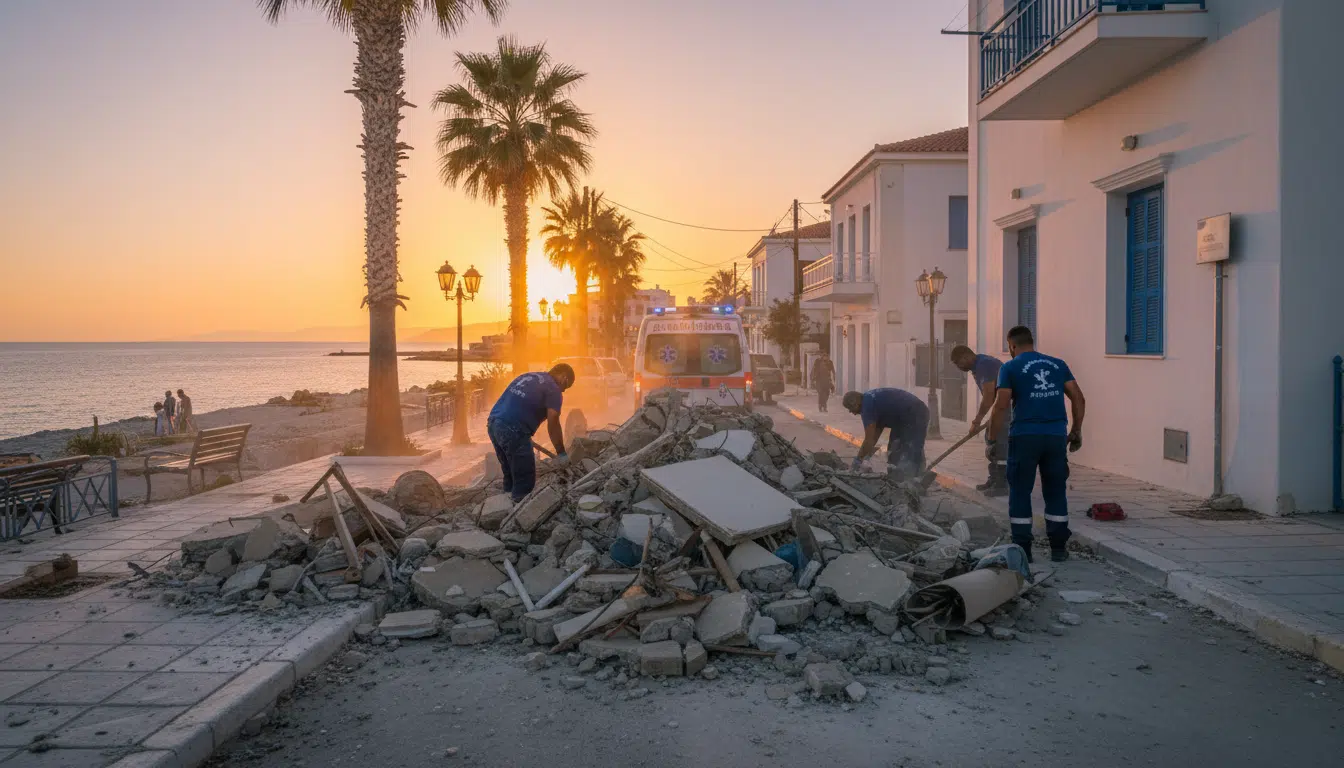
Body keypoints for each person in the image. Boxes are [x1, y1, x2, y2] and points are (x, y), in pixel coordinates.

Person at [988, 325, 1086, 563]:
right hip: (1055, 437)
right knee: (1055, 491)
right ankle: (1059, 549)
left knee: (1020, 491)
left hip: (1024, 437)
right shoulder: (1058, 364)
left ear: (1012, 345)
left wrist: (992, 438)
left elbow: (1001, 405)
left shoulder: (1009, 367)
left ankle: (1023, 550)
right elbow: (1078, 397)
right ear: (1032, 342)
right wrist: (1076, 430)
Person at [487, 364, 576, 503]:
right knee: (525, 480)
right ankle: (518, 518)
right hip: (514, 430)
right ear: (564, 378)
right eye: (566, 387)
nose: (563, 391)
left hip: (494, 424)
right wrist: (561, 453)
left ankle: (502, 510)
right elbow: (553, 421)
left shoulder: (528, 376)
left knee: (510, 474)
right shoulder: (553, 388)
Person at [951, 344, 1007, 496]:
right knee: (991, 440)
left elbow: (989, 396)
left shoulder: (984, 364)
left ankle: (1002, 484)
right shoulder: (978, 366)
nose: (958, 366)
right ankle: (994, 479)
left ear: (966, 356)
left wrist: (977, 421)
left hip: (1009, 405)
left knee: (1000, 443)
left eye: (958, 362)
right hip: (1000, 406)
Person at [841, 387, 929, 481]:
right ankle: (900, 477)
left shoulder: (867, 406)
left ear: (855, 403)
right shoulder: (870, 400)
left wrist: (858, 460)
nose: (852, 412)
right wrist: (867, 455)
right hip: (902, 419)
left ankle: (913, 481)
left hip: (915, 414)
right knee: (895, 449)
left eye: (851, 409)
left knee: (910, 449)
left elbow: (868, 439)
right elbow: (874, 436)